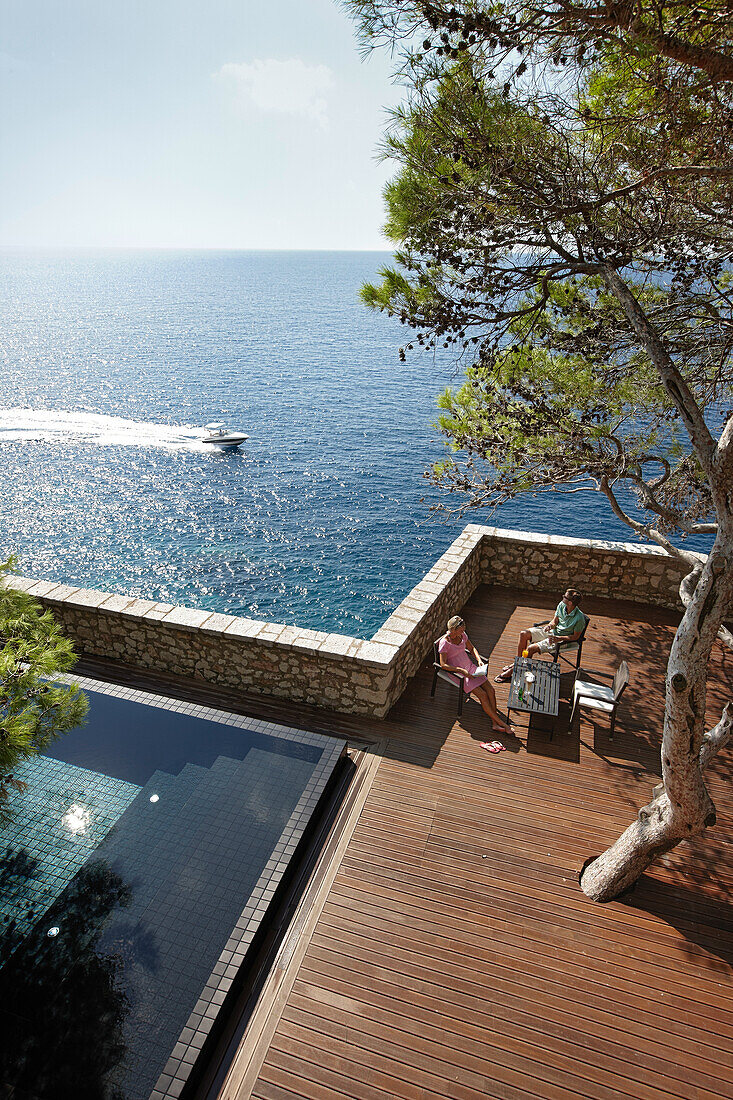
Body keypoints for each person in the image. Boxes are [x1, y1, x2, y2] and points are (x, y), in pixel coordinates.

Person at [438, 615, 514, 740]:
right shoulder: (444, 643)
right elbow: (443, 665)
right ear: (453, 630)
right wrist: (459, 670)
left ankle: (495, 723)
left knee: (491, 691)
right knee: (483, 695)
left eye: (463, 630)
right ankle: (501, 723)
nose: (463, 632)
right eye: (461, 630)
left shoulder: (462, 636)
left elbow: (472, 648)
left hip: (471, 668)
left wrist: (478, 660)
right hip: (459, 674)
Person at [494, 588, 586, 682]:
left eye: (565, 597)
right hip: (552, 632)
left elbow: (575, 637)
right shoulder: (562, 605)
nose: (562, 597)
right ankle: (518, 662)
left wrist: (558, 638)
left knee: (530, 649)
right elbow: (555, 621)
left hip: (561, 639)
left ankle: (514, 670)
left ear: (570, 602)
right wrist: (550, 625)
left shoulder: (579, 618)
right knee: (523, 634)